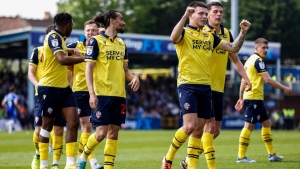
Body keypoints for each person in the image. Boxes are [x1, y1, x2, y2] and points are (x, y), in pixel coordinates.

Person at [161, 1, 251, 169]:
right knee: (190, 126)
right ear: (191, 15)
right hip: (188, 85)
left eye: (204, 14)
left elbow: (233, 48)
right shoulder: (185, 32)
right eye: (201, 14)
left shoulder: (209, 35)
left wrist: (243, 32)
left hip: (206, 87)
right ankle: (168, 158)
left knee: (200, 130)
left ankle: (190, 165)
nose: (204, 17)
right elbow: (173, 37)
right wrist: (183, 16)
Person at [77, 10, 140, 169]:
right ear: (112, 21)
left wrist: (134, 78)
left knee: (114, 134)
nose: (123, 22)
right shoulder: (95, 42)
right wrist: (91, 93)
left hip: (119, 95)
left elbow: (125, 71)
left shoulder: (122, 44)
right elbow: (89, 68)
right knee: (100, 134)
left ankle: (109, 167)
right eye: (121, 19)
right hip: (102, 94)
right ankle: (83, 155)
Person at [37, 13, 84, 169]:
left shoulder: (61, 39)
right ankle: (44, 164)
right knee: (47, 127)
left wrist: (72, 50)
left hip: (64, 88)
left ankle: (70, 164)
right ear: (68, 25)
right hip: (49, 88)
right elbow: (61, 59)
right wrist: (87, 57)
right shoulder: (53, 37)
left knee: (73, 122)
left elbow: (64, 52)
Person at [235, 38, 293, 163]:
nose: (266, 50)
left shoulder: (249, 60)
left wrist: (240, 97)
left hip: (255, 98)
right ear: (256, 48)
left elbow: (243, 79)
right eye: (263, 48)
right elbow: (268, 80)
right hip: (253, 97)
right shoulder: (258, 61)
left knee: (267, 124)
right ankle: (240, 157)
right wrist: (284, 87)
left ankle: (272, 154)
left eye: (267, 48)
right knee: (249, 126)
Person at [28, 24, 70, 169]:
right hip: (43, 93)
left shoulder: (63, 50)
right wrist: (37, 85)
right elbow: (30, 73)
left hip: (59, 92)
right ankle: (38, 154)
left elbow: (68, 72)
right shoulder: (37, 51)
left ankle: (55, 163)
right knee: (39, 129)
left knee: (58, 129)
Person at [67, 20, 104, 169]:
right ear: (84, 32)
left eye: (93, 30)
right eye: (88, 30)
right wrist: (70, 51)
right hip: (80, 92)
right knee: (87, 126)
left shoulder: (101, 46)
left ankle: (83, 160)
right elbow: (56, 49)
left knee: (98, 129)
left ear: (98, 31)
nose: (90, 33)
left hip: (98, 91)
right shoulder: (75, 46)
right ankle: (92, 162)